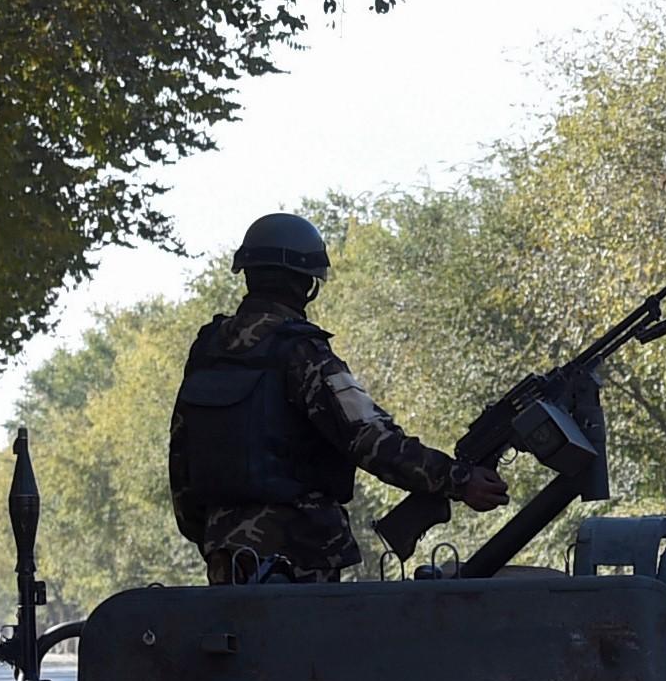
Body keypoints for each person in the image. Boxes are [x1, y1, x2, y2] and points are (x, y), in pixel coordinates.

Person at [167, 214, 506, 582]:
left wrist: (213, 534)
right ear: (306, 284)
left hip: (229, 559)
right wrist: (459, 479)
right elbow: (371, 439)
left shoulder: (208, 352)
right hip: (300, 556)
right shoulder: (301, 353)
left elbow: (181, 457)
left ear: (247, 272)